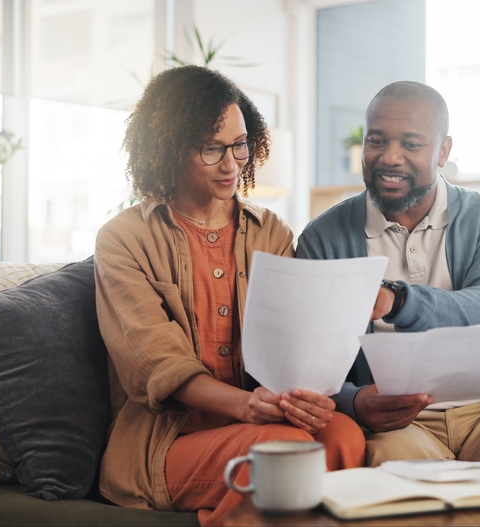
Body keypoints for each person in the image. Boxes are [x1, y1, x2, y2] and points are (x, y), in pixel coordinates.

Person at [94, 65, 365, 525]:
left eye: (240, 144)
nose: (232, 163)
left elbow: (293, 342)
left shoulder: (271, 231)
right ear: (170, 148)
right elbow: (154, 365)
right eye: (212, 148)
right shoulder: (124, 239)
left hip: (260, 419)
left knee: (345, 437)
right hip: (165, 443)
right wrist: (246, 406)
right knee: (289, 452)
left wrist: (300, 395)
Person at [296, 81, 480, 466]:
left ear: (443, 151)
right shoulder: (323, 238)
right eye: (376, 141)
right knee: (401, 473)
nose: (390, 157)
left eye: (411, 144)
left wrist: (398, 300)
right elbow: (308, 361)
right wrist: (353, 401)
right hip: (395, 426)